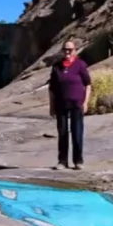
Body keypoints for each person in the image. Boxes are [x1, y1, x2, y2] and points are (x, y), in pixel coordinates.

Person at [47, 40, 91, 170]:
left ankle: (78, 160)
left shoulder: (80, 65)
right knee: (62, 133)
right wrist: (51, 106)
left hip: (77, 104)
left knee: (77, 132)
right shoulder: (56, 67)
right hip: (61, 104)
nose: (67, 52)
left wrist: (86, 102)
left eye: (70, 50)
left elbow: (88, 84)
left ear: (75, 50)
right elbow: (52, 88)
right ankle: (62, 161)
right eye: (65, 49)